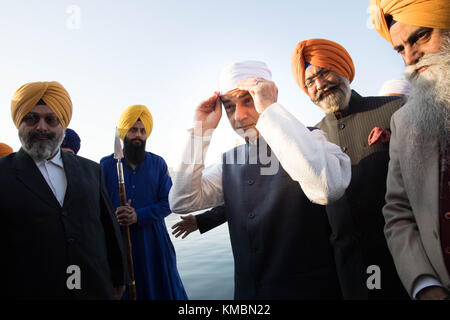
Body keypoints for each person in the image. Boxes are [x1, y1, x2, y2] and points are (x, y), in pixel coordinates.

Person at [169, 60, 351, 299]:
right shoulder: (229, 161)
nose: (239, 117)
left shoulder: (311, 140)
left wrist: (269, 110)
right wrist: (200, 129)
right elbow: (182, 201)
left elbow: (327, 188)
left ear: (270, 95)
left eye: (248, 100)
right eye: (230, 107)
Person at [290, 38, 408, 300]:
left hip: (402, 262)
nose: (319, 85)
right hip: (347, 272)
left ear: (343, 68)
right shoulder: (312, 138)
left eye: (324, 72)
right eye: (310, 82)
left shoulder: (395, 110)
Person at [0, 81, 127, 299]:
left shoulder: (90, 170)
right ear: (18, 122)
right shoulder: (3, 174)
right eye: (32, 118)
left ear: (63, 125)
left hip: (93, 288)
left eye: (51, 119)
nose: (42, 127)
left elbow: (108, 228)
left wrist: (118, 276)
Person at [370, 0, 450, 299]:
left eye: (421, 37)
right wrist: (424, 285)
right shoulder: (404, 121)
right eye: (400, 49)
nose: (410, 58)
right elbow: (397, 212)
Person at [100, 104, 187, 300]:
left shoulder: (158, 164)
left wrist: (138, 215)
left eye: (142, 131)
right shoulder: (106, 165)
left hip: (154, 243)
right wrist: (116, 215)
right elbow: (99, 208)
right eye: (133, 130)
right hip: (119, 244)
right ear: (124, 132)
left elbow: (168, 203)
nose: (138, 135)